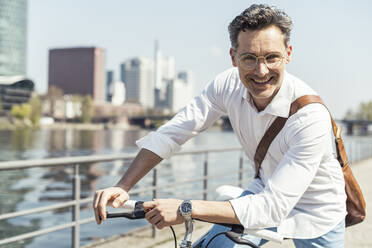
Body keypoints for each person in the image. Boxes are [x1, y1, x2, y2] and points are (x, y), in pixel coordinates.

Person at [93, 4, 346, 247]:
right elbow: (172, 134)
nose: (261, 71)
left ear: (288, 54)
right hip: (263, 192)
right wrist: (122, 186)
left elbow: (273, 208)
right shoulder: (227, 85)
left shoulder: (310, 117)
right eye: (249, 58)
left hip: (316, 209)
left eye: (272, 57)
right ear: (233, 57)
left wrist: (186, 208)